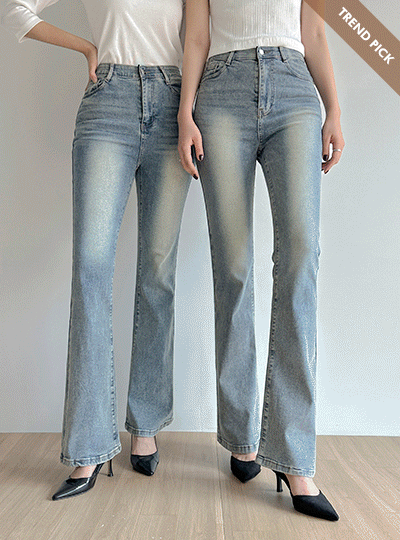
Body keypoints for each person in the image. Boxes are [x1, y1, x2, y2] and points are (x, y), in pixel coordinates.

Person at [1, 0, 192, 500]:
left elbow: (203, 35)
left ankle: (145, 425)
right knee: (90, 269)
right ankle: (89, 446)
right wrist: (87, 47)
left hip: (176, 105)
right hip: (108, 102)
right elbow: (17, 10)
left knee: (158, 271)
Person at [178, 0, 344, 521]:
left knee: (300, 259)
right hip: (220, 92)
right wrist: (185, 112)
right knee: (233, 267)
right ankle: (242, 437)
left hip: (294, 90)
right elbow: (197, 37)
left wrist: (334, 109)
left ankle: (294, 458)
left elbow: (314, 33)